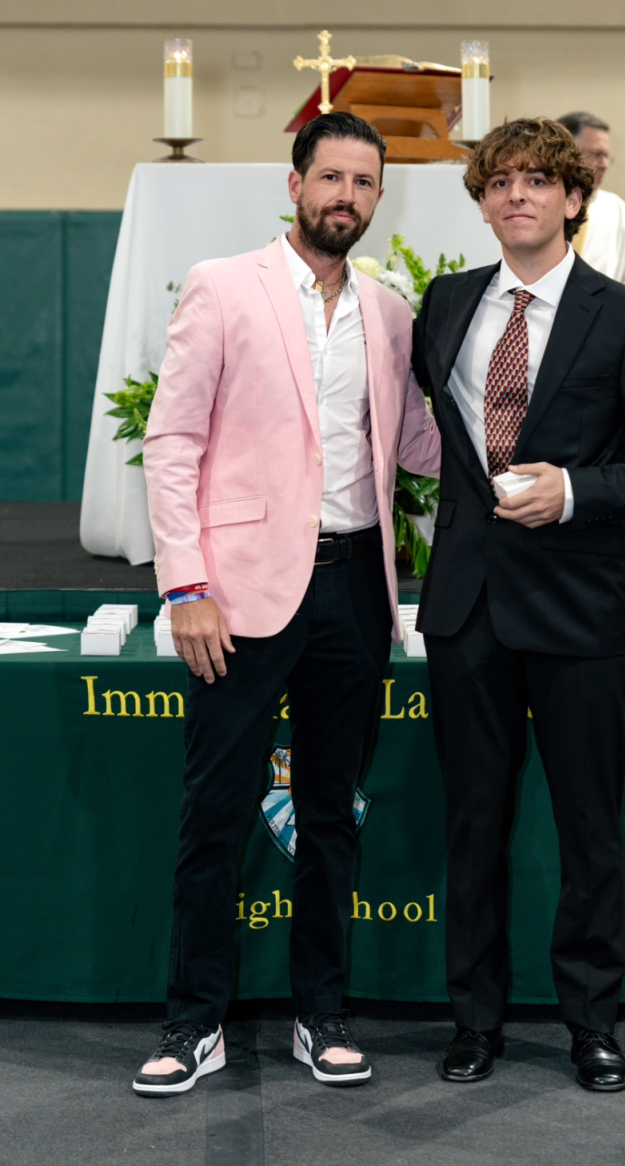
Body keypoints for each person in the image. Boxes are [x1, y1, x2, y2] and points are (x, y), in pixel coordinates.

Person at [134, 112, 440, 1094]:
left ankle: (322, 1010)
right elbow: (173, 444)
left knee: (330, 815)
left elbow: (417, 447)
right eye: (331, 177)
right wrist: (185, 585)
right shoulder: (224, 286)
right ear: (296, 183)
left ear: (377, 199)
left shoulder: (391, 312)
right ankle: (192, 1023)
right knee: (214, 814)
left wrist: (531, 437)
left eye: (364, 183)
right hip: (238, 594)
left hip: (355, 588)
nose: (345, 195)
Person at [411, 117, 625, 1091]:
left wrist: (573, 490)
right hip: (465, 605)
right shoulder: (444, 305)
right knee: (471, 823)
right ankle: (474, 1021)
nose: (517, 196)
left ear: (573, 198)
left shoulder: (624, 318)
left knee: (589, 828)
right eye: (499, 182)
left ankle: (591, 1022)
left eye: (538, 180)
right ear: (482, 199)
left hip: (578, 606)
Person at [558, 110, 625, 299]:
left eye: (606, 156)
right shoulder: (532, 204)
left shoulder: (615, 210)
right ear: (565, 153)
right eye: (597, 154)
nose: (604, 164)